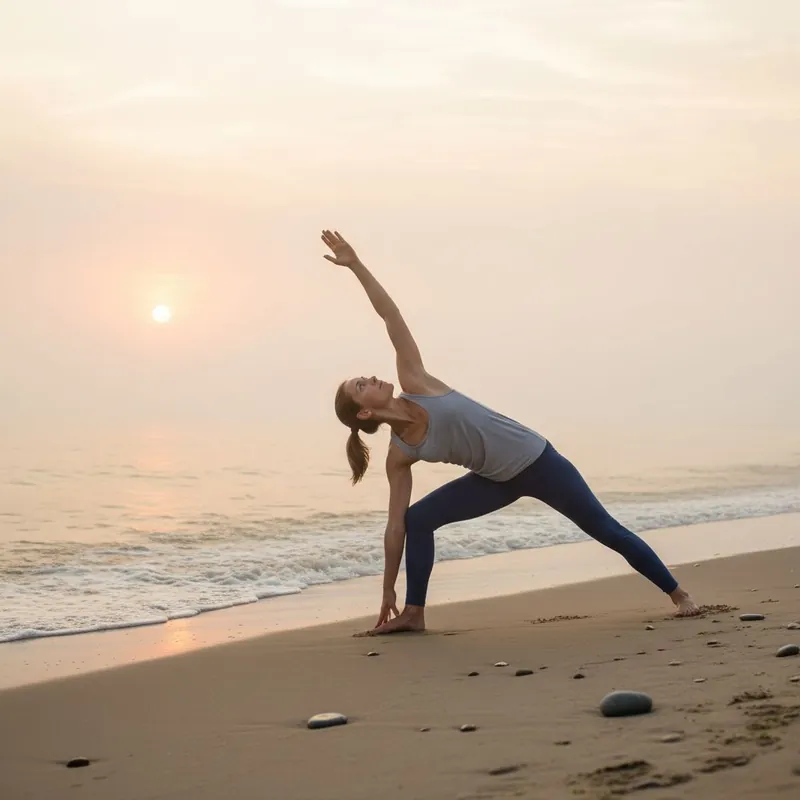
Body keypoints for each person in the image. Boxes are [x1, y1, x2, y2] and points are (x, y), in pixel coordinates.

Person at [322, 229, 701, 635]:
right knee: (418, 519)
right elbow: (395, 526)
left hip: (538, 461)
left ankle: (680, 596)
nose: (372, 377)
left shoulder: (416, 380)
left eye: (365, 376)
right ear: (364, 413)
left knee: (606, 530)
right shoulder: (399, 454)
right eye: (362, 384)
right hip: (494, 480)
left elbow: (390, 316)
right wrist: (386, 591)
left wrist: (356, 266)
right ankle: (414, 613)